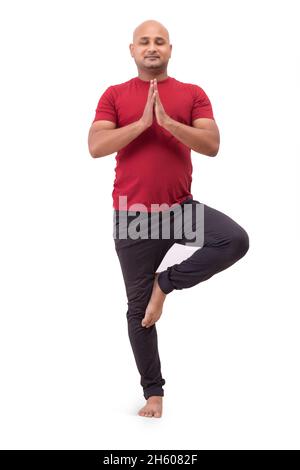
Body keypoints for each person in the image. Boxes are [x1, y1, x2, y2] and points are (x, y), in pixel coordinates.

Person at [88, 19, 249, 418]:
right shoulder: (114, 95)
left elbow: (211, 144)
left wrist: (169, 123)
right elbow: (95, 146)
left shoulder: (192, 94)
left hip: (179, 210)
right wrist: (141, 124)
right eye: (144, 41)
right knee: (139, 311)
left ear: (170, 49)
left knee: (234, 240)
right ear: (132, 50)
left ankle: (167, 281)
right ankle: (153, 393)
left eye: (159, 41)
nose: (152, 47)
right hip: (134, 217)